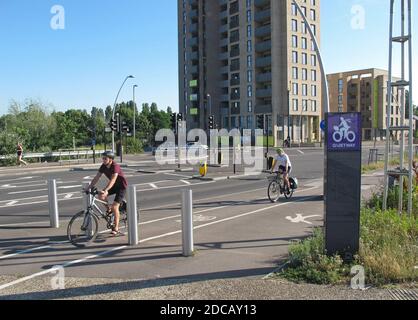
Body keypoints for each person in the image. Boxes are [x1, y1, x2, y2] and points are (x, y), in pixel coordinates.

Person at [86, 151, 128, 236]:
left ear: (111, 159)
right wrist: (88, 187)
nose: (103, 160)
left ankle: (116, 228)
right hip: (113, 186)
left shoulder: (115, 166)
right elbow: (96, 177)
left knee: (115, 206)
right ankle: (109, 209)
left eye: (105, 158)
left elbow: (113, 180)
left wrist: (106, 190)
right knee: (101, 196)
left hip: (121, 187)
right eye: (103, 158)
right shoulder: (103, 166)